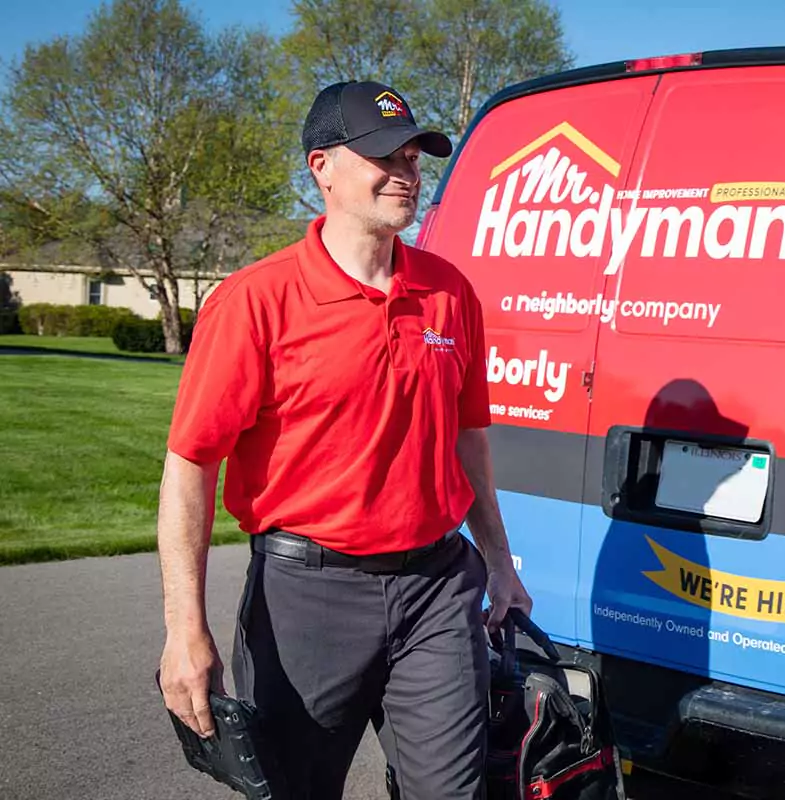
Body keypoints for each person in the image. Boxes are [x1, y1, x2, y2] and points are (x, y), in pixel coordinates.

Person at [155, 79, 532, 799]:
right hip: (308, 596)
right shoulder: (255, 302)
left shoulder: (451, 292)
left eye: (416, 157)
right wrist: (184, 632)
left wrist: (497, 562)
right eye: (384, 156)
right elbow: (191, 467)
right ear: (321, 167)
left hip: (436, 589)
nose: (406, 172)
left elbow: (467, 440)